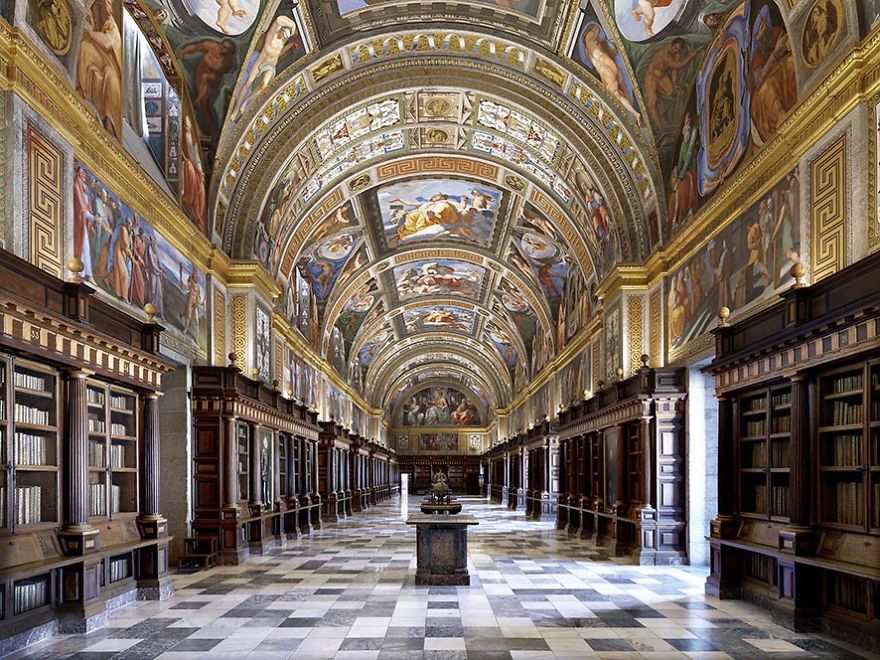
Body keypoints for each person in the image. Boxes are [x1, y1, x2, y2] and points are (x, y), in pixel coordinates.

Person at [230, 15, 299, 120]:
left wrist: (292, 43)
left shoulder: (283, 40)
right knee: (248, 83)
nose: (284, 37)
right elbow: (278, 19)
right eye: (284, 33)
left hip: (271, 65)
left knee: (263, 86)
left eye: (286, 36)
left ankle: (245, 102)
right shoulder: (273, 34)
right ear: (281, 30)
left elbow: (279, 53)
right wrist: (293, 24)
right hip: (261, 60)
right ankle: (236, 109)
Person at [749, 9, 797, 143]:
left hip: (782, 71)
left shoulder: (776, 32)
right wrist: (775, 54)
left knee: (792, 62)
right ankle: (780, 115)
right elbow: (758, 81)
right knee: (767, 87)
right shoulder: (757, 56)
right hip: (765, 86)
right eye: (758, 32)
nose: (761, 33)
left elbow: (789, 43)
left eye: (763, 27)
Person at [77, 0, 122, 138]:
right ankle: (81, 93)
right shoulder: (93, 16)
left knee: (109, 75)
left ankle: (109, 121)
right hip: (96, 65)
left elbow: (108, 43)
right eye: (107, 3)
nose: (110, 8)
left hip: (109, 74)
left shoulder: (111, 25)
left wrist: (89, 33)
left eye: (110, 3)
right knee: (84, 47)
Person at [176, 39, 236, 137]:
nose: (222, 48)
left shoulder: (228, 62)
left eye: (226, 48)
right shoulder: (212, 45)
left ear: (229, 52)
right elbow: (196, 47)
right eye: (222, 45)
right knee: (204, 103)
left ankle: (199, 100)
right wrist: (182, 52)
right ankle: (209, 127)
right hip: (197, 74)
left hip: (213, 80)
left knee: (205, 79)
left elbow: (220, 76)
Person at [582, 24, 641, 123]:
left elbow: (595, 29)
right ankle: (633, 116)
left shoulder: (589, 46)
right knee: (623, 91)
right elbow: (596, 29)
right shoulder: (593, 44)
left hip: (605, 70)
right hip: (610, 65)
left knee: (616, 94)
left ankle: (635, 114)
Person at [643, 38, 696, 128]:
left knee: (671, 92)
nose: (676, 51)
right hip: (652, 77)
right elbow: (678, 65)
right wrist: (690, 56)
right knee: (652, 103)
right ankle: (660, 128)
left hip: (662, 76)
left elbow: (674, 70)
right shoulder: (664, 54)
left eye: (679, 50)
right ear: (671, 44)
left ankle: (661, 108)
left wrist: (674, 83)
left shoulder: (676, 54)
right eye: (675, 48)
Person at [667, 112, 699, 227]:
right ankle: (677, 221)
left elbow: (690, 152)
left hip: (692, 171)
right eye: (685, 122)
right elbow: (681, 159)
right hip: (683, 173)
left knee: (682, 187)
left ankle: (686, 213)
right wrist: (678, 174)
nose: (686, 125)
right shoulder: (684, 137)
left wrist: (681, 175)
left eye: (688, 121)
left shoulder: (694, 131)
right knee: (673, 196)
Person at [181, 115, 206, 231]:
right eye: (184, 125)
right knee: (189, 167)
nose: (186, 127)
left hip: (195, 172)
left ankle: (196, 210)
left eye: (187, 125)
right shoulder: (181, 134)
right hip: (186, 168)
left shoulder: (192, 140)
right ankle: (187, 198)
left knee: (200, 186)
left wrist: (200, 172)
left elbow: (196, 159)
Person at [72, 166, 95, 279]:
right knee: (82, 245)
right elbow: (82, 209)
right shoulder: (76, 186)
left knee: (86, 246)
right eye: (83, 175)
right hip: (77, 223)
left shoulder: (82, 189)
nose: (84, 177)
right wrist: (94, 218)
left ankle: (87, 273)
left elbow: (86, 208)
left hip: (82, 223)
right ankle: (82, 272)